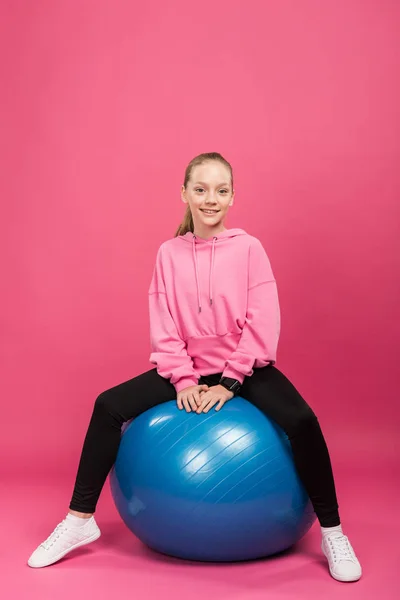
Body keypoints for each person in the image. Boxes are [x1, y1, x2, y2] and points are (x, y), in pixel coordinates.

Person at [28, 152, 362, 582]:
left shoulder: (249, 249)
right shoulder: (168, 253)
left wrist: (231, 381)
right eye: (200, 189)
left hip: (244, 369)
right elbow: (163, 322)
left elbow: (264, 320)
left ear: (232, 197)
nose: (211, 199)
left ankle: (333, 533)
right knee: (107, 405)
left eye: (221, 191)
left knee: (302, 420)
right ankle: (79, 520)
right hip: (185, 368)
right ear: (184, 193)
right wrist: (184, 378)